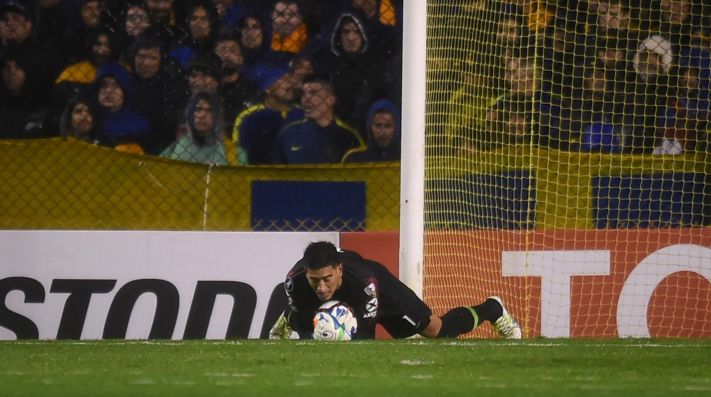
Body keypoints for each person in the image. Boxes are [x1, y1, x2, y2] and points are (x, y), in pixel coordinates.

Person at [269, 241, 522, 340]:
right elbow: (304, 328)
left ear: (339, 270)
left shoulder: (366, 283)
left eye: (327, 279)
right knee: (301, 316)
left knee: (437, 330)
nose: (322, 287)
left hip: (383, 294)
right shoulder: (296, 280)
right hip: (318, 303)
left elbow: (364, 338)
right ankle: (284, 320)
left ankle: (492, 308)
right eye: (315, 280)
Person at [272, 76, 364, 164]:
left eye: (313, 93)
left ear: (330, 100)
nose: (306, 99)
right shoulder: (288, 134)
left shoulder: (348, 136)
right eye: (303, 94)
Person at [231, 67, 302, 165]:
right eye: (281, 78)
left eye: (289, 78)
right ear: (267, 88)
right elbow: (239, 151)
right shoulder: (249, 116)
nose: (289, 83)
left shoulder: (303, 113)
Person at [160, 90, 233, 165]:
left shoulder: (227, 151)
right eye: (198, 109)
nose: (202, 115)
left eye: (209, 110)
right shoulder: (178, 147)